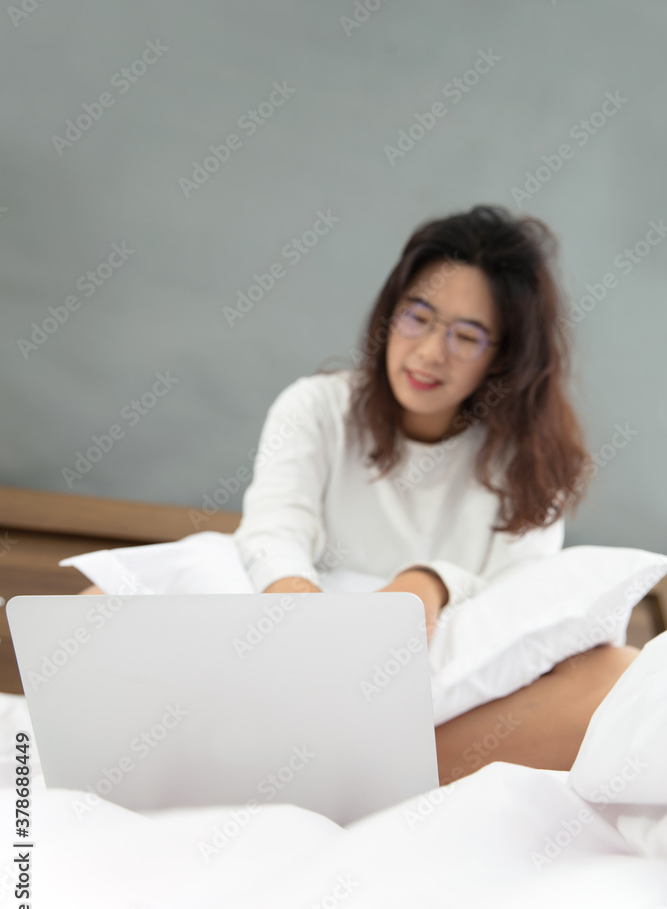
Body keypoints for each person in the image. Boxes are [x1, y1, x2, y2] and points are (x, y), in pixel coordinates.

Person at [80, 204, 637, 782]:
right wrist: (306, 615)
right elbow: (274, 533)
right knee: (107, 603)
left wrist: (429, 584)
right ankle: (316, 767)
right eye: (417, 316)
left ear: (505, 357)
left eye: (466, 336)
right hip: (294, 660)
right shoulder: (317, 408)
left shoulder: (534, 465)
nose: (428, 353)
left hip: (438, 710)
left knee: (618, 674)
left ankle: (333, 774)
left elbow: (524, 606)